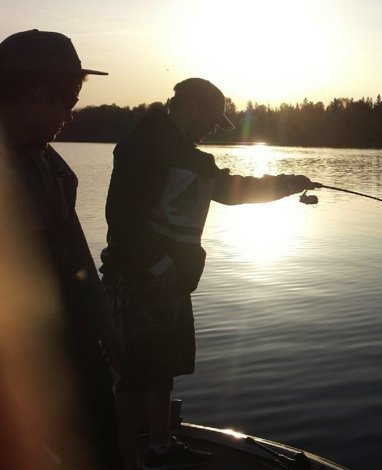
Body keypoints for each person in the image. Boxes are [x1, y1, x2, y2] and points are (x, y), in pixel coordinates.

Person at [100, 77, 318, 469]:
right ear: (189, 106)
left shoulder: (197, 161)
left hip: (172, 286)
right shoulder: (142, 146)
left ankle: (160, 447)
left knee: (161, 369)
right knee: (133, 377)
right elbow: (122, 215)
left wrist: (287, 184)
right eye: (211, 120)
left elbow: (233, 190)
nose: (210, 129)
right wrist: (155, 264)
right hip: (138, 282)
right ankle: (123, 458)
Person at [0, 30, 123, 469]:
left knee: (99, 443)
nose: (68, 118)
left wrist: (103, 324)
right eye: (68, 102)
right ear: (38, 93)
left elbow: (73, 250)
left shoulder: (50, 165)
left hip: (70, 348)